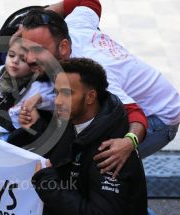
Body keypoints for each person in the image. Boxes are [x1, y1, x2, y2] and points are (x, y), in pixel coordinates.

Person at [18, 0, 180, 177]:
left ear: (64, 47)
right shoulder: (75, 24)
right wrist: (47, 14)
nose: (30, 58)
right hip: (136, 96)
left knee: (97, 172)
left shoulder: (97, 73)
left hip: (157, 117)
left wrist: (128, 142)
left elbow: (136, 114)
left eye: (39, 50)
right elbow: (89, 2)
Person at [31, 57, 149, 215]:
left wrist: (48, 186)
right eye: (56, 93)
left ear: (90, 97)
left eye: (67, 93)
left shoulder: (111, 152)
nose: (57, 101)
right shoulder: (70, 122)